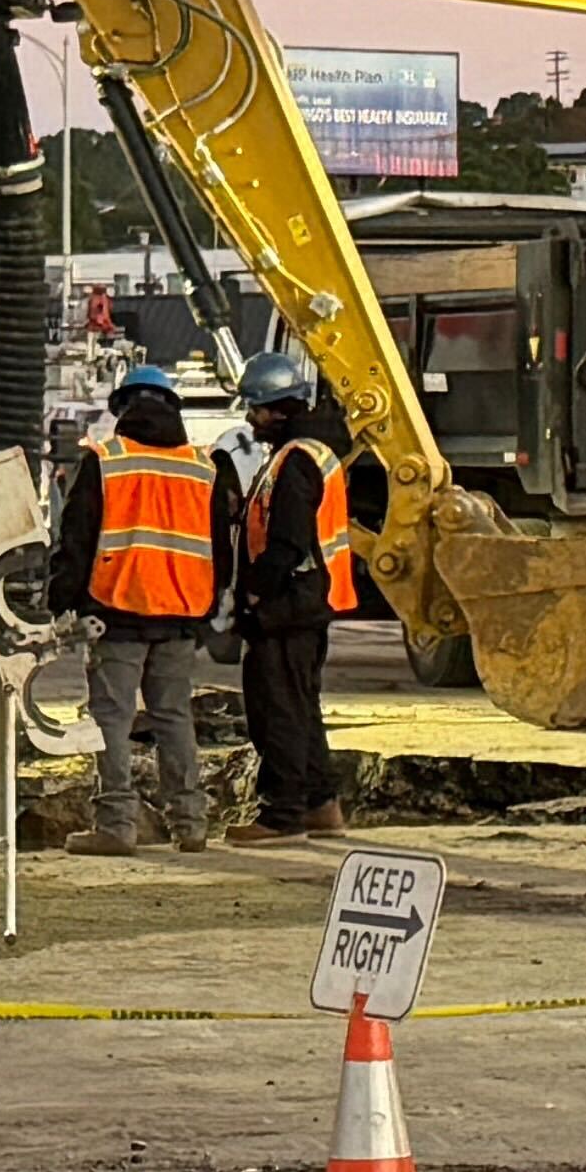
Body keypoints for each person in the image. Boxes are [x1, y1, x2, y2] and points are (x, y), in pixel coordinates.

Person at [45, 363, 235, 857]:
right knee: (173, 716)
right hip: (181, 613)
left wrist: (59, 600)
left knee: (111, 718)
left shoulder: (107, 461)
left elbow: (76, 537)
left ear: (123, 408)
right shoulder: (204, 467)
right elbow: (220, 549)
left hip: (117, 609)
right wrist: (206, 609)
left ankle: (116, 826)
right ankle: (190, 825)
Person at [225, 345, 358, 842]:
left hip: (289, 603)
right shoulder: (309, 452)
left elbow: (287, 540)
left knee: (277, 711)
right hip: (308, 602)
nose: (250, 419)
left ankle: (281, 815)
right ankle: (321, 806)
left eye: (255, 409)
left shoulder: (296, 461)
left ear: (275, 409)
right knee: (300, 708)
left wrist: (255, 594)